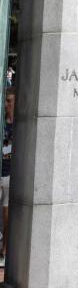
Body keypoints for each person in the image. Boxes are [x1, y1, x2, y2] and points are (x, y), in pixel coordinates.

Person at [1, 87, 13, 267]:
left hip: (10, 174)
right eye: (6, 101)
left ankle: (3, 252)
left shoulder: (21, 125)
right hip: (1, 172)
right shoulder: (3, 124)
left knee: (6, 215)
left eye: (10, 101)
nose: (6, 105)